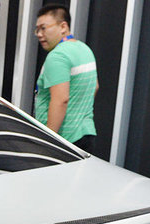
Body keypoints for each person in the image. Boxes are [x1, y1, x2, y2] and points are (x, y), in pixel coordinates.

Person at [33, 4, 98, 151]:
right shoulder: (85, 49)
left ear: (63, 26)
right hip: (85, 136)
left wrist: (48, 142)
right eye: (37, 29)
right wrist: (78, 111)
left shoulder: (57, 56)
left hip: (63, 141)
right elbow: (94, 86)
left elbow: (60, 99)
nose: (39, 34)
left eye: (43, 28)